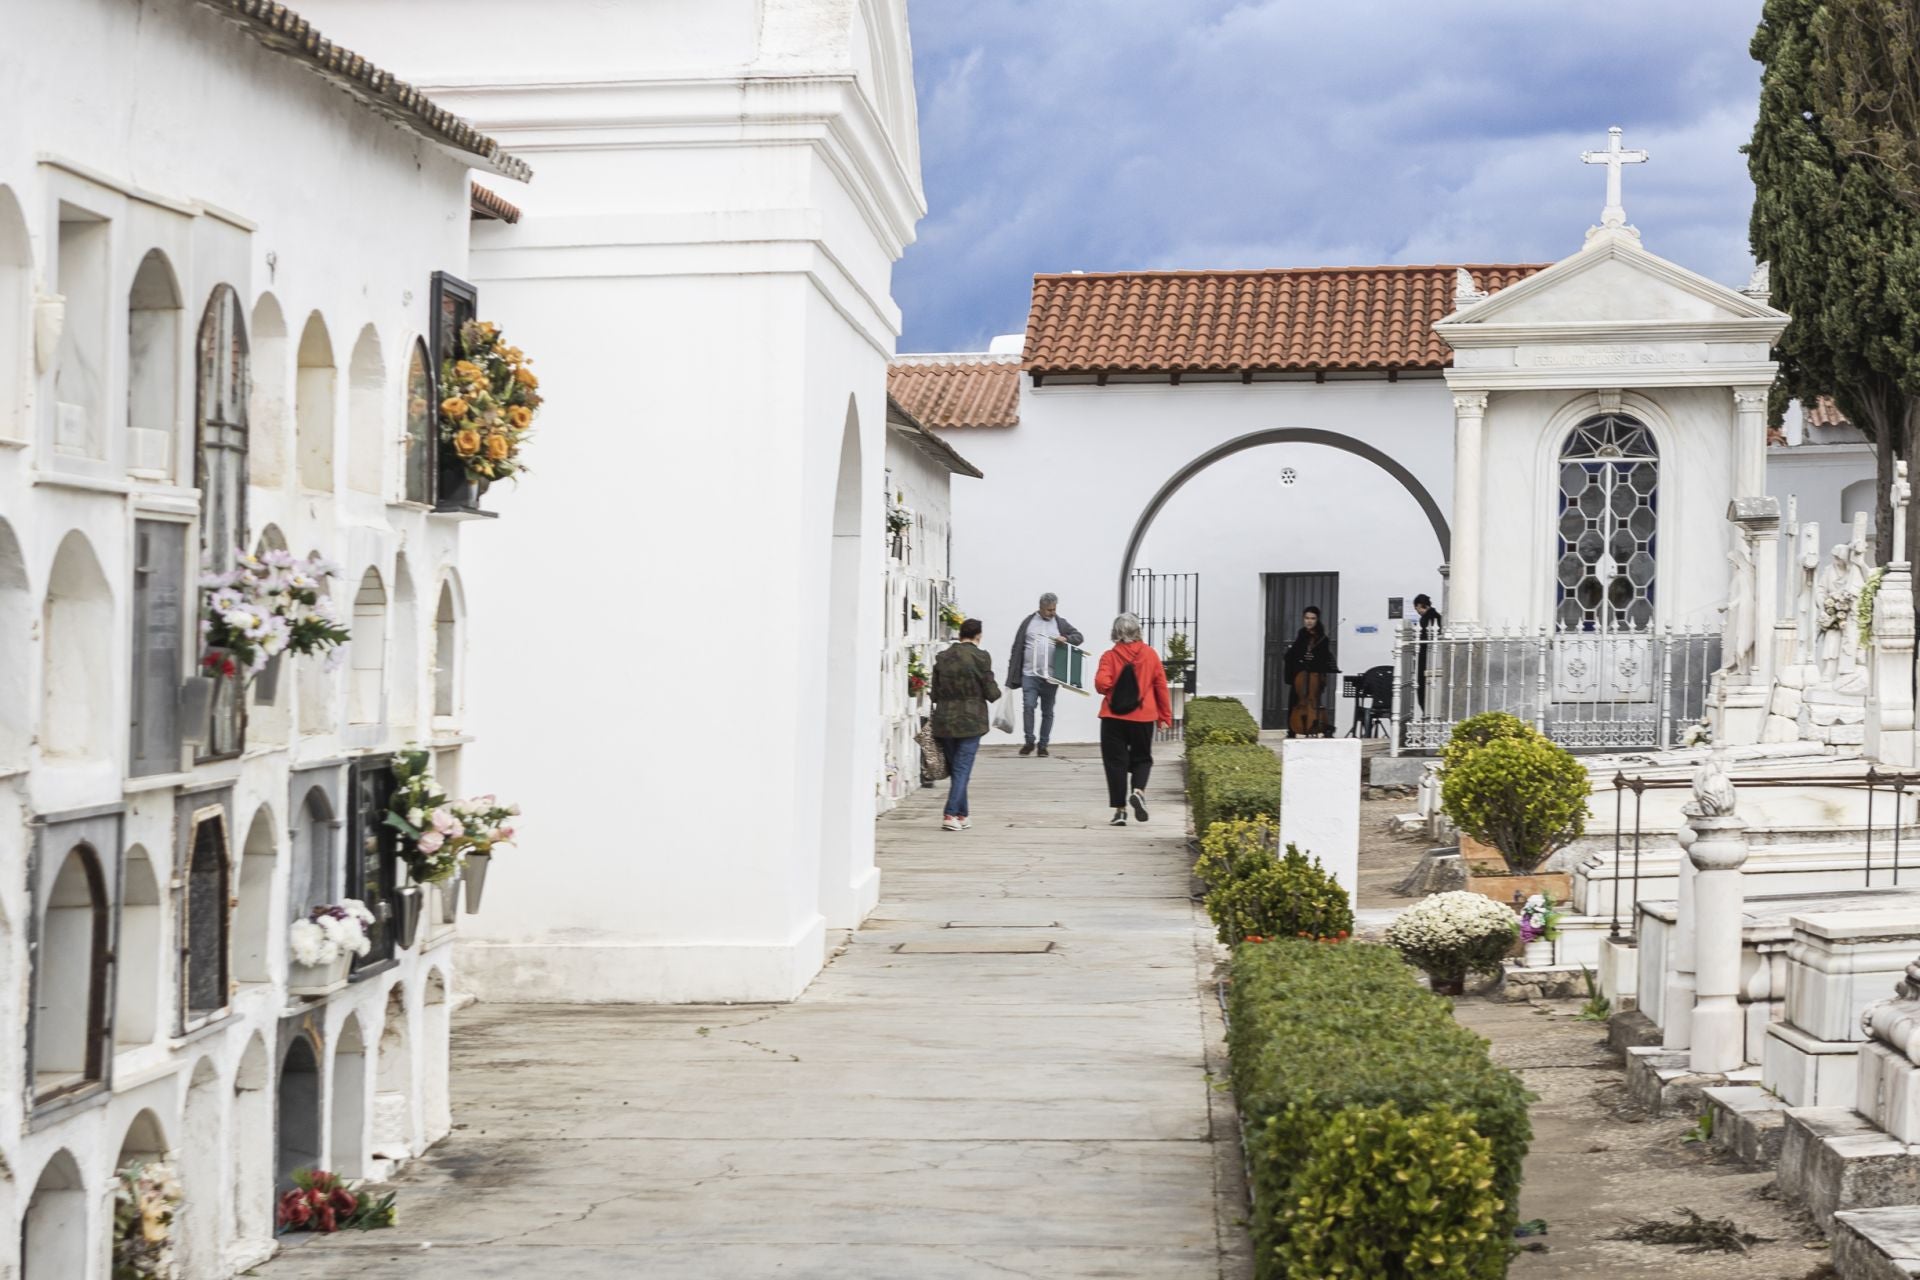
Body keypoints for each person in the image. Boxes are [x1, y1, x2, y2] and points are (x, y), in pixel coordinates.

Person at [1095, 613, 1172, 827]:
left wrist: (1115, 694)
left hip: (1113, 717)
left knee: (1115, 762)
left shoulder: (1109, 656)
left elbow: (1101, 684)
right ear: (1137, 631)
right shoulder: (1150, 655)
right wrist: (1164, 716)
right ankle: (1138, 791)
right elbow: (1160, 686)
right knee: (1142, 758)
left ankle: (1120, 812)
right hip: (1143, 716)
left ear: (1116, 633)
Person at [930, 618, 1001, 832]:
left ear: (960, 634)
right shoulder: (981, 657)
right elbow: (991, 692)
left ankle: (963, 814)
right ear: (978, 635)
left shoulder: (943, 657)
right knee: (962, 769)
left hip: (944, 721)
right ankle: (950, 813)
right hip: (971, 721)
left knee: (958, 770)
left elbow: (934, 692)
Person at [1004, 592, 1084, 758]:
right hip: (1029, 673)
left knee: (1047, 711)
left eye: (1054, 609)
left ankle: (1043, 744)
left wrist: (1066, 638)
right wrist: (1011, 672)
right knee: (1028, 705)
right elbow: (1017, 646)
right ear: (1040, 608)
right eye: (1049, 610)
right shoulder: (1028, 622)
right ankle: (1029, 741)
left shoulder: (1060, 623)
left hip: (1051, 675)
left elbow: (1079, 637)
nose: (1052, 612)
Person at [1284, 606, 1337, 738]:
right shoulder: (1301, 634)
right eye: (1307, 618)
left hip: (1315, 675)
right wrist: (1301, 659)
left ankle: (1322, 726)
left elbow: (1324, 657)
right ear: (1303, 619)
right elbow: (1293, 654)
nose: (1309, 621)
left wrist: (1314, 659)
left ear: (1317, 620)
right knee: (1294, 700)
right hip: (1300, 676)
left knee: (1314, 700)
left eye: (1312, 618)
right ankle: (1291, 729)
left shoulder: (1322, 637)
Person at [1412, 593, 1442, 715]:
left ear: (1420, 605)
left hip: (1425, 658)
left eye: (1417, 608)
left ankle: (1427, 714)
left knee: (1423, 689)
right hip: (1431, 657)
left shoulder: (1426, 619)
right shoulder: (1437, 617)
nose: (1417, 611)